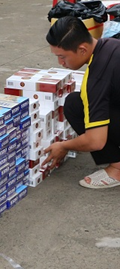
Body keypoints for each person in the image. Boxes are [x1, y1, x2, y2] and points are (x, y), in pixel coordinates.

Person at [43, 16, 120, 189]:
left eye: (63, 57)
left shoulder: (97, 78)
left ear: (82, 49)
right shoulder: (110, 44)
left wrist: (63, 146)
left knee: (75, 105)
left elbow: (95, 141)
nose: (60, 63)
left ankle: (117, 168)